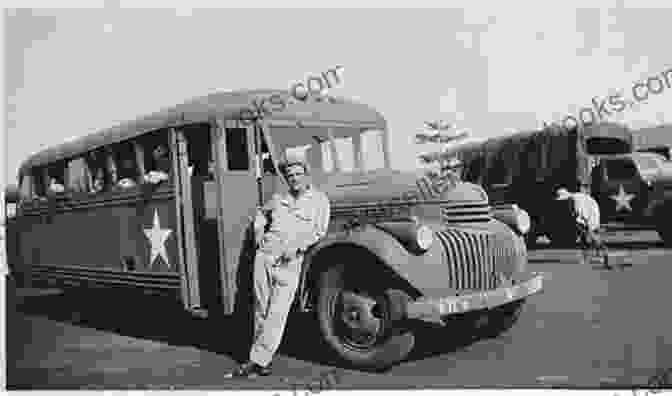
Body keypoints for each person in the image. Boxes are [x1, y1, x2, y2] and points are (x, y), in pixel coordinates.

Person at [226, 155, 330, 378]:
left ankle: (257, 360)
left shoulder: (320, 201)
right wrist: (259, 234)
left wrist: (298, 248)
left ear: (306, 174)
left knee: (277, 313)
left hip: (290, 262)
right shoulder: (278, 199)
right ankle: (261, 362)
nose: (294, 179)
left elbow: (319, 232)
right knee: (260, 310)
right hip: (265, 256)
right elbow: (261, 214)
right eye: (289, 175)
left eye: (298, 174)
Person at [555, 187, 609, 268]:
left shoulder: (576, 200)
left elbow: (581, 214)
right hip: (588, 213)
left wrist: (587, 226)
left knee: (591, 235)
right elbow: (577, 214)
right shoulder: (573, 198)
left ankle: (604, 252)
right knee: (585, 236)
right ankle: (587, 257)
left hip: (591, 214)